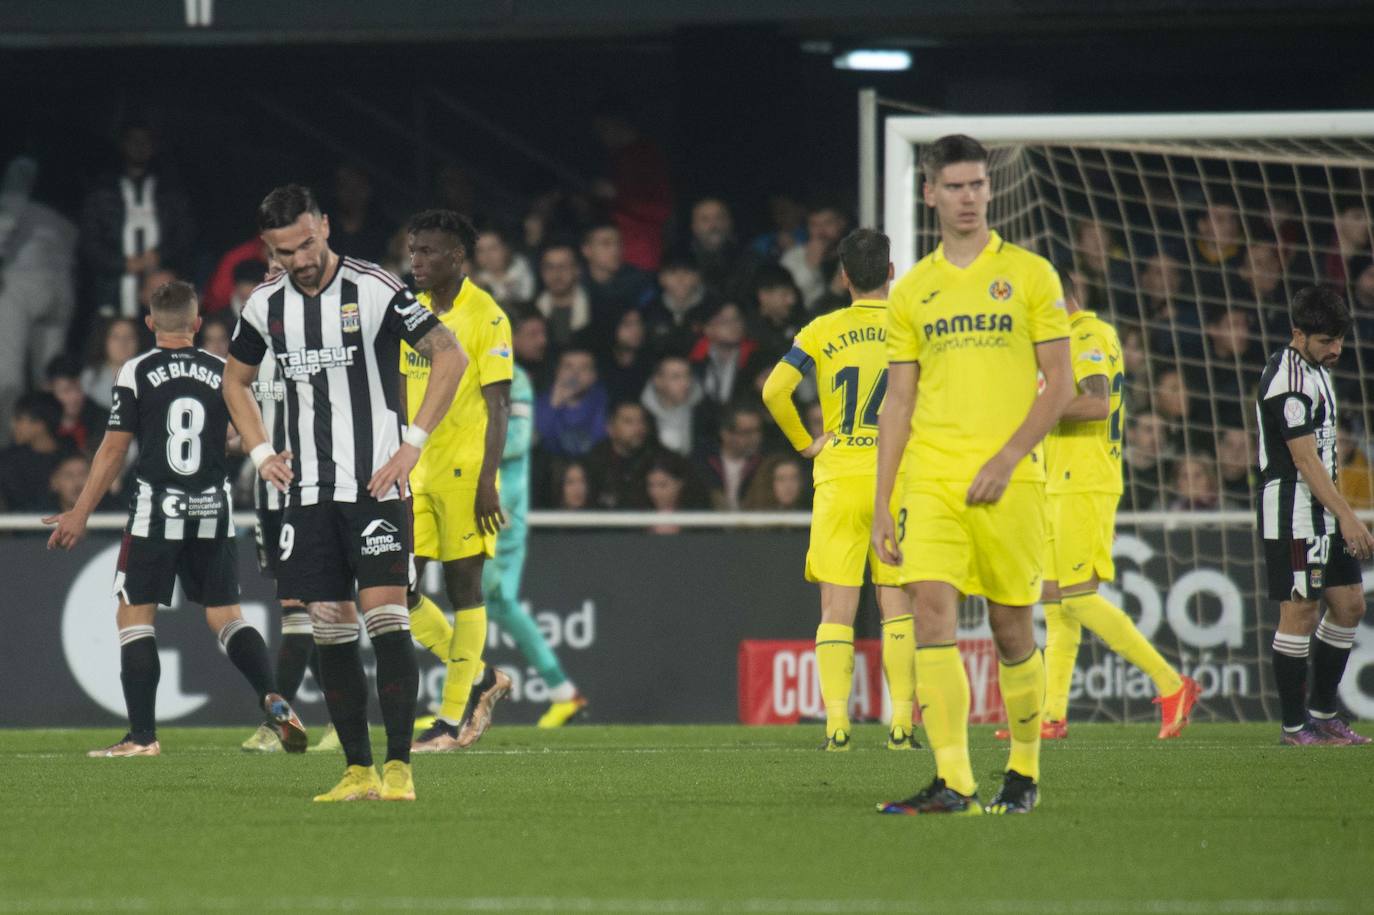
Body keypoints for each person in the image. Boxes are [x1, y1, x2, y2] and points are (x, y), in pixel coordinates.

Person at [224, 185, 466, 801]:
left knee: (386, 618)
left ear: (325, 226)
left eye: (307, 243)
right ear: (268, 250)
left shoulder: (375, 287)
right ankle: (357, 770)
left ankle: (400, 769)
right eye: (285, 252)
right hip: (305, 493)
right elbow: (235, 379)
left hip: (376, 485)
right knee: (329, 628)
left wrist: (412, 443)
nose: (300, 259)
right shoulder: (264, 305)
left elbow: (450, 356)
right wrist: (259, 451)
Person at [871, 134, 1074, 816]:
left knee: (1012, 626)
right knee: (931, 609)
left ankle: (1022, 771)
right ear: (929, 192)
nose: (967, 197)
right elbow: (898, 401)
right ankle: (954, 779)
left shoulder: (1032, 275)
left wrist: (1008, 457)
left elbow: (1061, 385)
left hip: (1009, 479)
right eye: (954, 185)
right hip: (932, 479)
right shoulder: (913, 291)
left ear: (989, 189)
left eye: (976, 185)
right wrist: (881, 503)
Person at [44, 281, 307, 759]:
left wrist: (79, 512)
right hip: (213, 508)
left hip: (156, 512)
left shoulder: (136, 371)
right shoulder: (222, 369)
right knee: (226, 616)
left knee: (135, 617)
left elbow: (114, 448)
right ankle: (272, 697)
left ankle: (143, 737)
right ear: (197, 324)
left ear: (150, 325)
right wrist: (264, 453)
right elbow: (232, 437)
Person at [995, 272, 1198, 744]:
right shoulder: (1055, 344)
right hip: (1056, 482)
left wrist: (1034, 409)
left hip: (1084, 484)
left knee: (1078, 598)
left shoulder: (1088, 333)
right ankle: (1051, 714)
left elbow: (1096, 403)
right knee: (1055, 602)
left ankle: (1172, 684)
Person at [762, 228, 919, 752]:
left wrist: (807, 444)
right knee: (896, 602)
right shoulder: (910, 327)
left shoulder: (821, 329)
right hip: (896, 478)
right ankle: (901, 725)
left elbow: (774, 390)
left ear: (844, 276)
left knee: (836, 607)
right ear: (892, 272)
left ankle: (836, 725)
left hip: (839, 475)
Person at [399, 209, 515, 754]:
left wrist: (489, 481)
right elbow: (403, 391)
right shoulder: (413, 313)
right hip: (414, 467)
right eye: (412, 250)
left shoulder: (486, 316)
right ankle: (483, 677)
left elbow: (500, 404)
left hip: (466, 473)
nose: (415, 260)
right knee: (398, 589)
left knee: (464, 590)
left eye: (427, 252)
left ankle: (448, 720)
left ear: (457, 258)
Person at [1255, 286, 1372, 745]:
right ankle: (1293, 726)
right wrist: (1349, 516)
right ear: (1298, 333)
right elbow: (1304, 460)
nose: (1336, 349)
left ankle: (1324, 714)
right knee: (1300, 610)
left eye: (1339, 339)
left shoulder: (1317, 368)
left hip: (1324, 508)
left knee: (1349, 606)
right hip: (1295, 515)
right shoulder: (1287, 381)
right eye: (1325, 340)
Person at [239, 332, 342, 754]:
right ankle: (342, 718)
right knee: (300, 611)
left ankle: (275, 722)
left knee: (295, 607)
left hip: (306, 493)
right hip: (268, 497)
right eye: (271, 266)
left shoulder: (310, 341)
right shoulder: (246, 353)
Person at [482, 363, 587, 727]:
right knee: (495, 603)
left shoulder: (514, 376)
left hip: (500, 506)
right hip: (481, 502)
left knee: (476, 599)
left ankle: (458, 704)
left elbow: (516, 440)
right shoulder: (461, 366)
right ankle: (563, 693)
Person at [78, 122, 195, 321]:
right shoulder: (103, 189)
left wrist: (159, 256)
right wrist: (122, 264)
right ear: (123, 145)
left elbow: (186, 233)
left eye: (145, 141)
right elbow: (89, 240)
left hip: (159, 287)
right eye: (133, 141)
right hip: (111, 289)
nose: (139, 146)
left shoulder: (169, 189)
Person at [0, 392, 72, 511]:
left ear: (39, 425)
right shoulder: (7, 461)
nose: (13, 425)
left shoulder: (70, 456)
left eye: (20, 419)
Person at [584, 400, 658, 510]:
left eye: (641, 422)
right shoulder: (592, 463)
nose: (638, 428)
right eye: (629, 422)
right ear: (610, 429)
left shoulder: (659, 460)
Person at [535, 348, 608, 458]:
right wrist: (553, 405)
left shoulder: (601, 399)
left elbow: (603, 443)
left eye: (584, 368)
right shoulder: (541, 401)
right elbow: (533, 441)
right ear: (557, 372)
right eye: (568, 367)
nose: (575, 374)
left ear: (594, 376)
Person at [779, 201, 848, 311]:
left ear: (841, 223)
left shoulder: (852, 256)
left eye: (827, 223)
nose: (820, 231)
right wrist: (810, 266)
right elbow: (792, 303)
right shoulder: (793, 257)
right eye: (814, 225)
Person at [699, 403, 765, 511]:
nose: (755, 438)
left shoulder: (764, 464)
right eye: (747, 432)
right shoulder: (704, 463)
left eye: (757, 431)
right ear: (725, 434)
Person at [640, 354, 704, 457]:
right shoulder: (641, 416)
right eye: (676, 377)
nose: (686, 383)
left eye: (688, 376)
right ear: (658, 381)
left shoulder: (703, 413)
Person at [46, 354, 109, 457]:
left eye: (79, 389)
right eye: (66, 390)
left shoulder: (103, 421)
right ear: (49, 390)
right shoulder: (41, 424)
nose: (75, 397)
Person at [534, 244, 591, 349]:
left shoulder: (596, 307)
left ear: (577, 270)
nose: (556, 273)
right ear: (541, 272)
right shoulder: (532, 310)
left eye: (563, 266)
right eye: (549, 267)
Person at [82, 318, 141, 411]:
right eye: (116, 337)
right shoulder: (90, 377)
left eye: (129, 337)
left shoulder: (149, 376)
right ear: (105, 341)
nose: (123, 343)